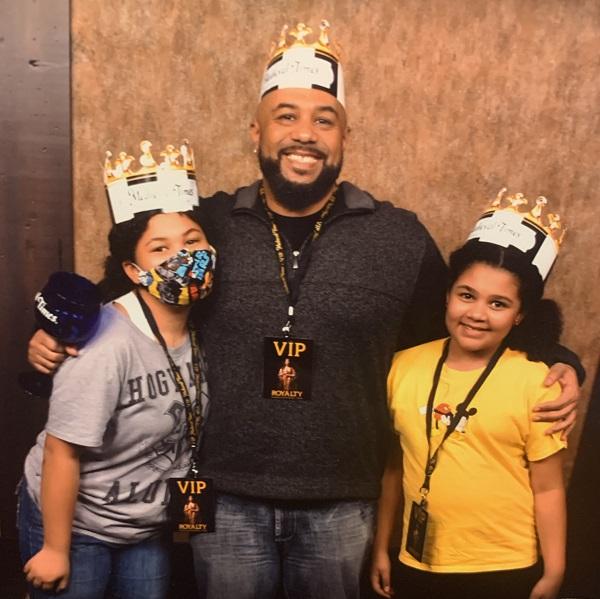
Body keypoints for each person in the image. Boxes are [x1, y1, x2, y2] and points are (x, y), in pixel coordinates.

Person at [27, 23, 582, 599]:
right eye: (286, 116)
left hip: (343, 500)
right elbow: (131, 283)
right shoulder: (208, 225)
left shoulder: (398, 236)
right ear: (256, 132)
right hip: (226, 492)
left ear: (345, 138)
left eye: (324, 120)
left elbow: (466, 322)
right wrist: (55, 331)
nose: (305, 134)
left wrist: (557, 356)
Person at [18, 141, 214, 598]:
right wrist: (54, 548)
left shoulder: (205, 328)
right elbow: (61, 452)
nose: (182, 257)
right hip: (76, 523)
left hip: (144, 528)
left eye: (192, 242)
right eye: (160, 248)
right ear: (132, 268)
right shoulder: (106, 341)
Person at [370, 195, 568, 599]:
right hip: (417, 560)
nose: (477, 313)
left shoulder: (536, 382)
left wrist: (555, 570)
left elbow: (548, 487)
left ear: (520, 315)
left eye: (498, 304)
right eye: (467, 295)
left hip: (505, 567)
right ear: (447, 296)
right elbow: (395, 467)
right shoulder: (403, 367)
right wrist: (381, 547)